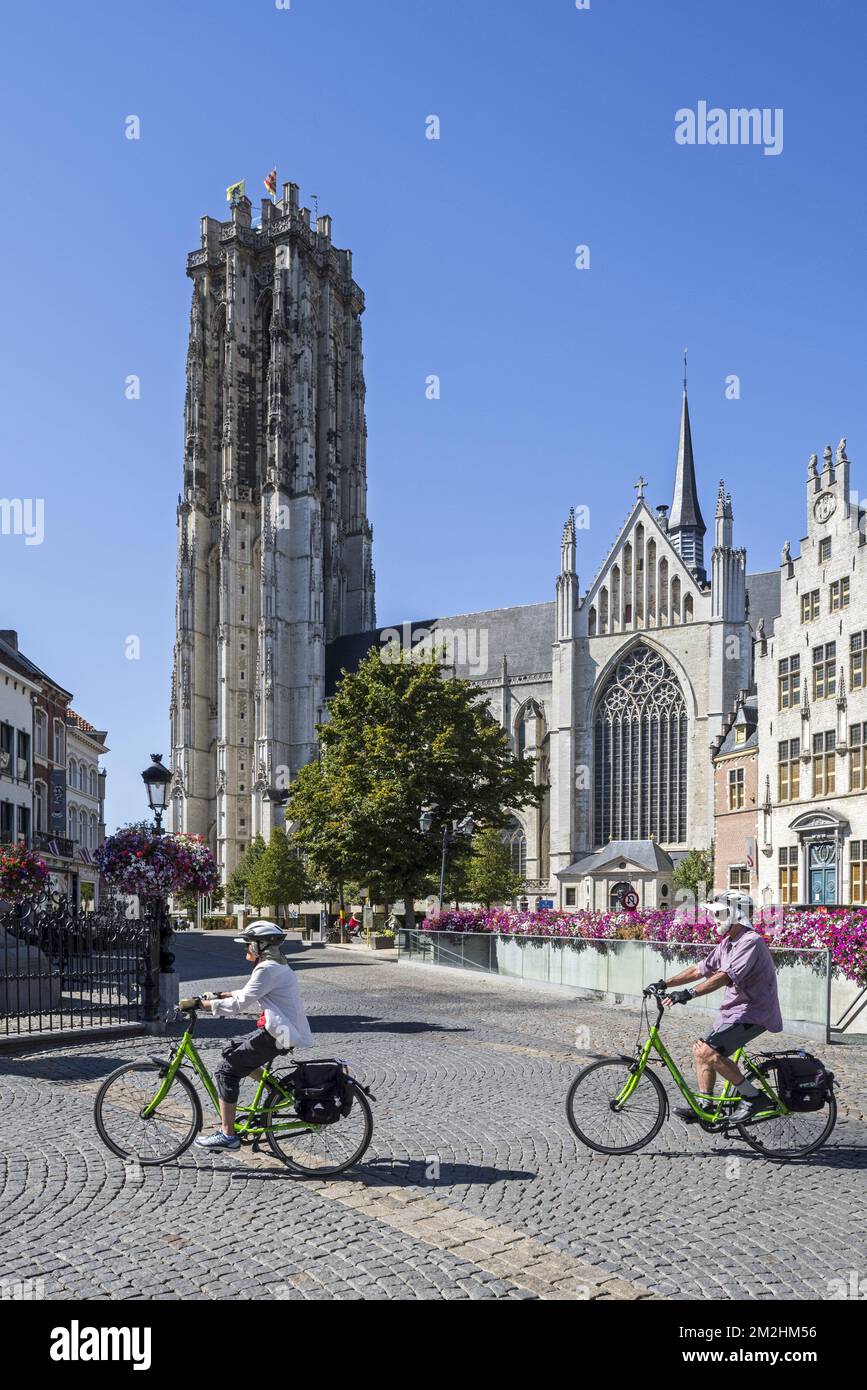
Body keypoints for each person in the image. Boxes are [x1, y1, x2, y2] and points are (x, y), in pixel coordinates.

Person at [656, 890, 783, 1125]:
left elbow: (724, 977)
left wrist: (689, 994)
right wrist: (665, 983)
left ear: (736, 916)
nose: (714, 919)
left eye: (720, 914)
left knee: (708, 1052)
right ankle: (706, 1104)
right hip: (734, 1011)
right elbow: (699, 970)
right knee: (700, 1050)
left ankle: (754, 1097)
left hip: (754, 1012)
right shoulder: (727, 943)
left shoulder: (750, 942)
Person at [193, 921, 313, 1151]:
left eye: (249, 944)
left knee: (226, 1071)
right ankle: (278, 1093)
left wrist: (202, 1004)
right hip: (281, 1030)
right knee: (231, 1052)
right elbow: (249, 992)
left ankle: (228, 1136)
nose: (247, 948)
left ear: (261, 945)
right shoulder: (275, 966)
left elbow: (238, 1004)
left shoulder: (267, 969)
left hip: (279, 1032)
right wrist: (219, 994)